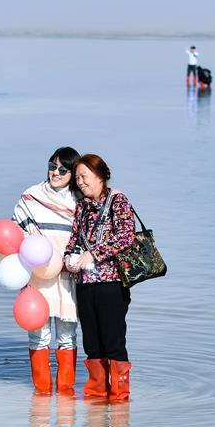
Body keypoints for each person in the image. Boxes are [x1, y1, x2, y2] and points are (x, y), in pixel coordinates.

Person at [63, 154, 136, 402]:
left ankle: (119, 401)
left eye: (84, 176)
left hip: (111, 283)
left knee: (113, 342)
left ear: (100, 175)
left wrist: (93, 254)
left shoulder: (118, 200)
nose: (80, 182)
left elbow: (126, 236)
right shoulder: (82, 206)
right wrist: (69, 258)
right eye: (77, 178)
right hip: (85, 284)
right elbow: (74, 238)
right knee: (92, 344)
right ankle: (96, 400)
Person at [13, 147, 81, 394]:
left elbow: (87, 235)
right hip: (36, 275)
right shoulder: (31, 197)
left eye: (63, 169)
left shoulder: (79, 200)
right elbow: (15, 231)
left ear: (73, 173)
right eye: (52, 166)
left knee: (67, 337)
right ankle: (41, 396)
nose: (56, 173)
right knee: (38, 336)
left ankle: (65, 395)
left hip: (67, 276)